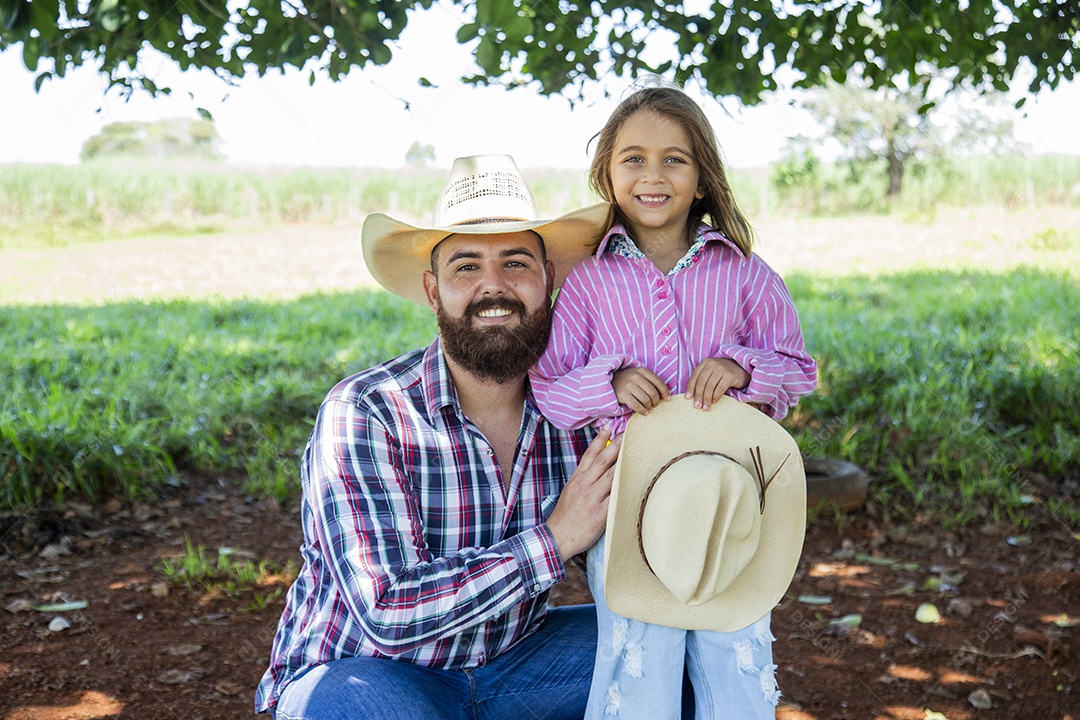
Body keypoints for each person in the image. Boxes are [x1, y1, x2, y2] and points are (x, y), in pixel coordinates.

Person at [255, 154, 619, 719]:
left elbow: (635, 549)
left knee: (666, 651)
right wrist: (554, 539)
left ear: (547, 279)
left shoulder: (575, 413)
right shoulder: (367, 410)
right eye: (466, 267)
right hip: (367, 671)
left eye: (516, 263)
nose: (493, 287)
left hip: (514, 666)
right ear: (433, 290)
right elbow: (386, 612)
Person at [530, 82, 818, 718]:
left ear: (702, 176)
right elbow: (549, 388)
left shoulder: (745, 272)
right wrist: (607, 381)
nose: (652, 175)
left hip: (730, 496)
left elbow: (799, 370)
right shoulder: (587, 284)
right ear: (607, 170)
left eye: (674, 159)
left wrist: (744, 370)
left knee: (735, 653)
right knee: (638, 656)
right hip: (626, 500)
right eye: (633, 157)